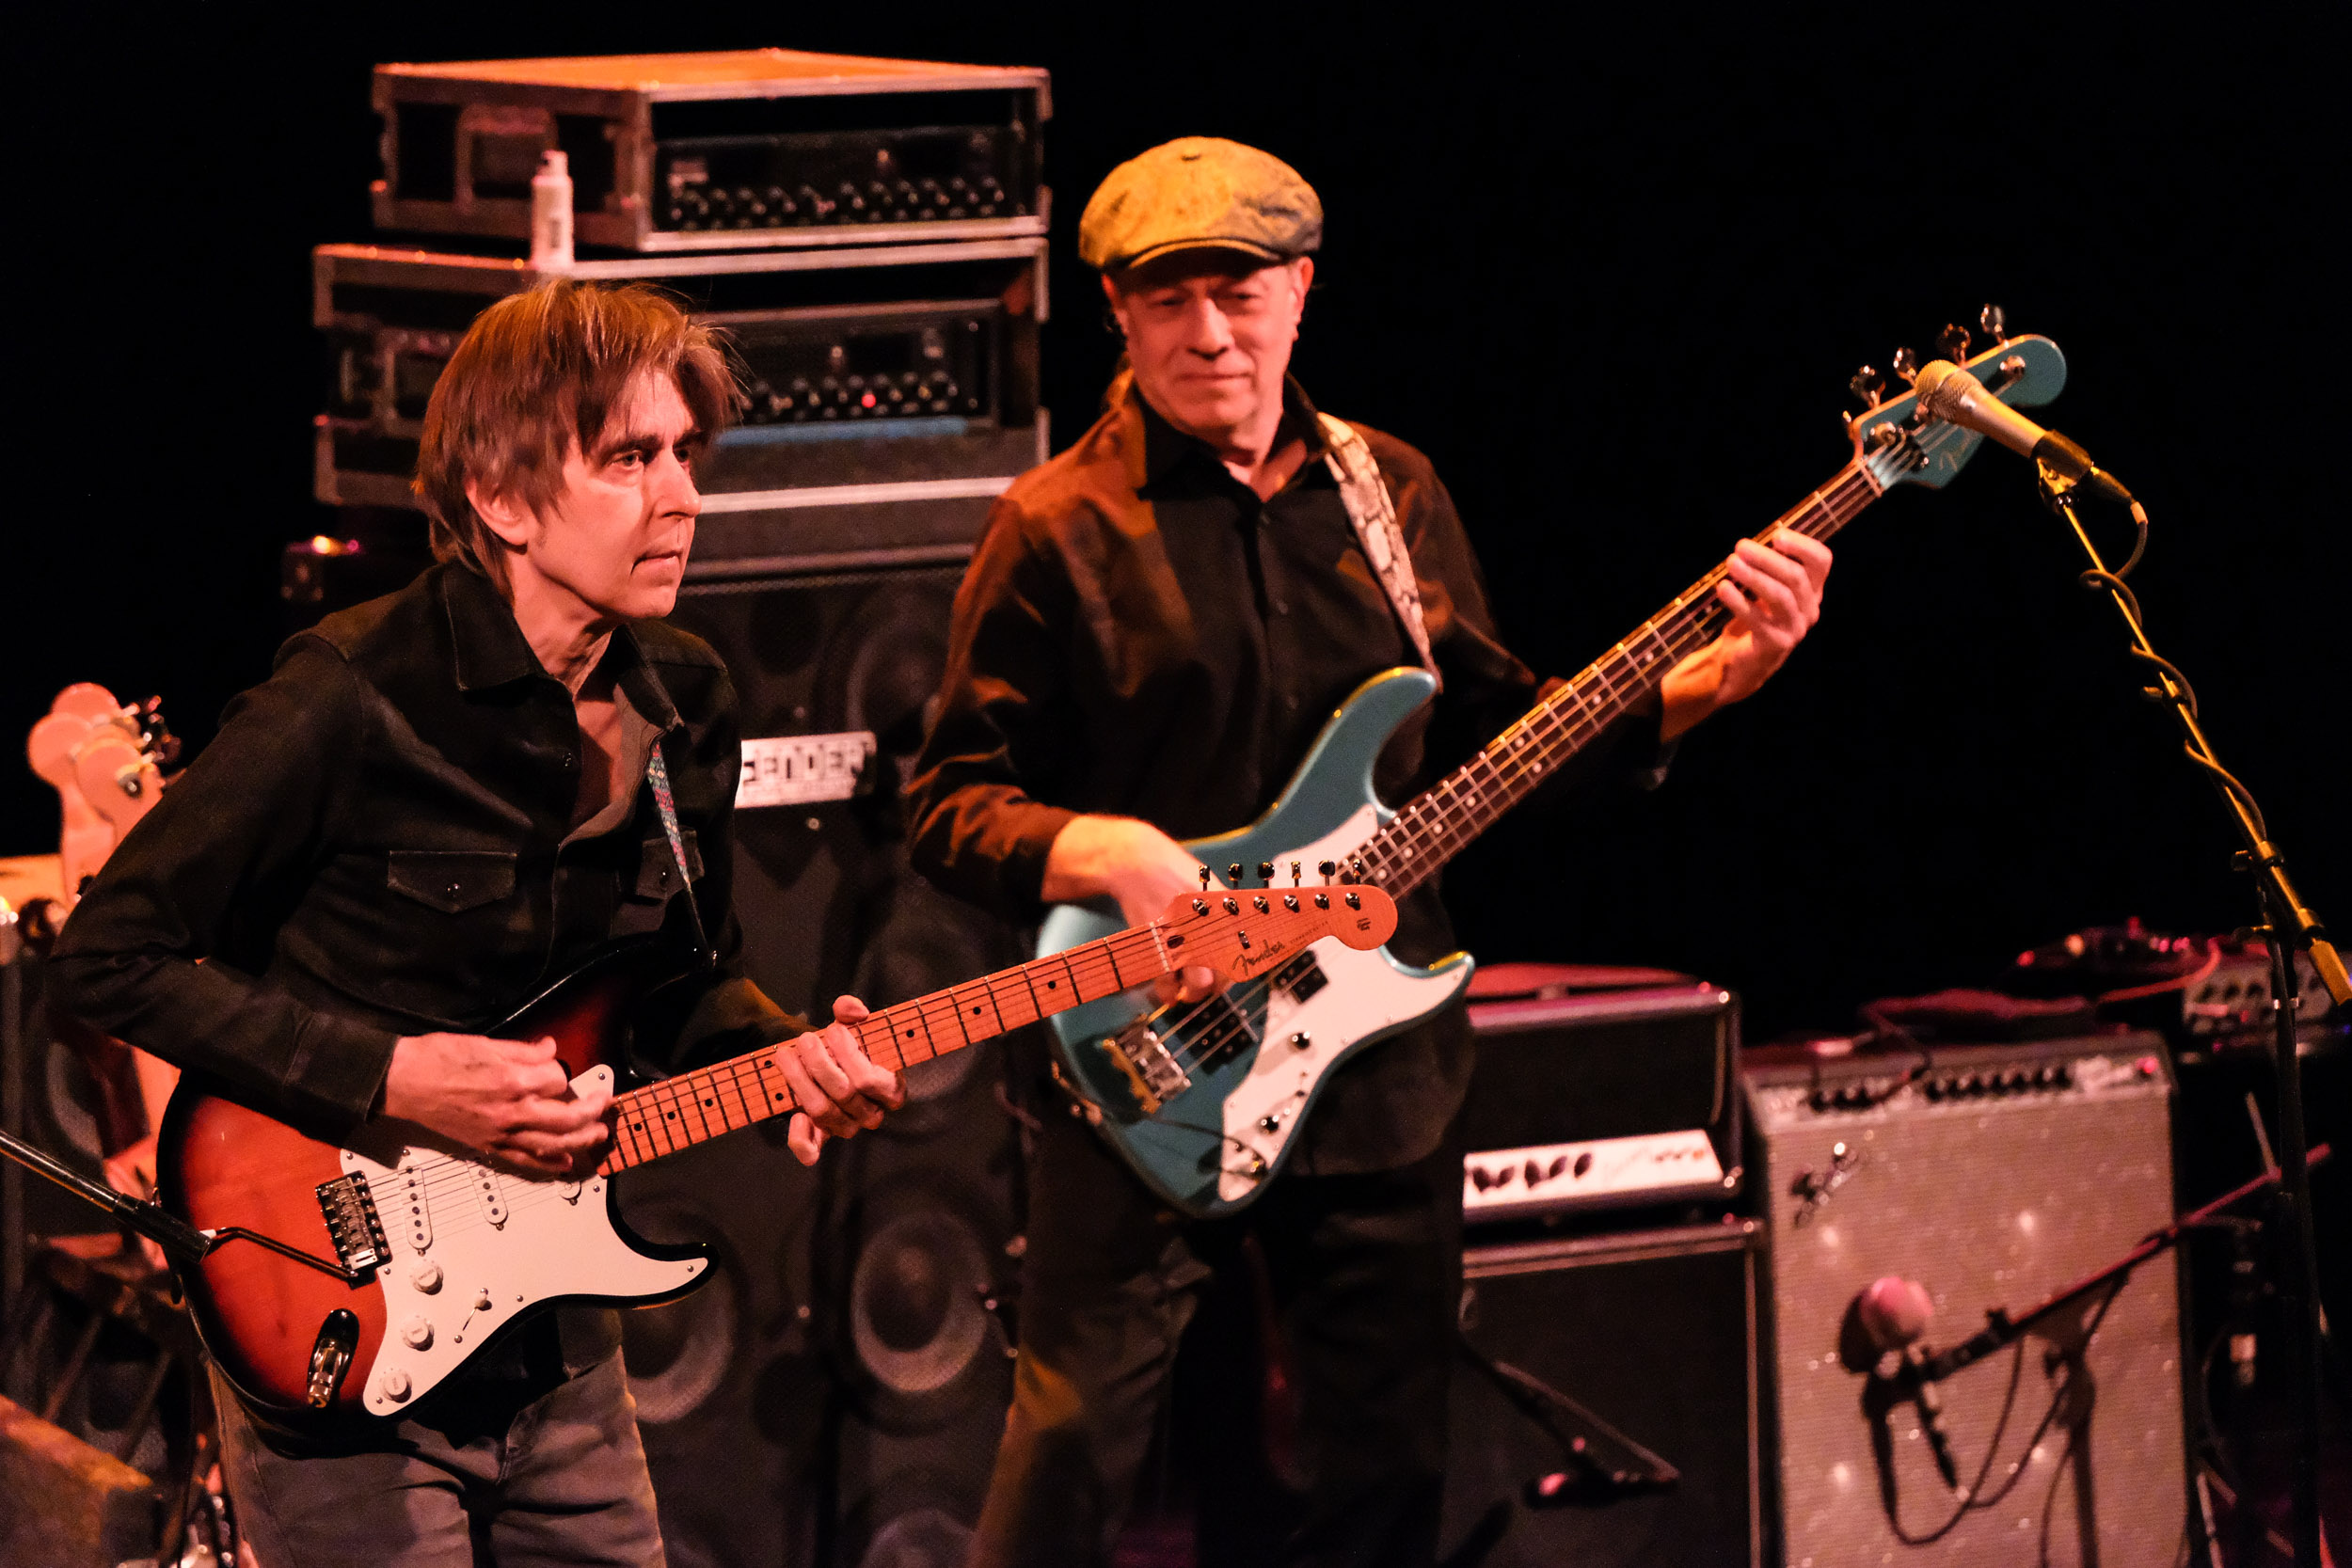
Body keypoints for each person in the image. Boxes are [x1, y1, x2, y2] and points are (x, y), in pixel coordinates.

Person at [902, 138, 1833, 1566]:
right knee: (1071, 1460)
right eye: (1169, 301)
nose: (1209, 332)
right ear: (1114, 311)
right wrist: (1105, 847)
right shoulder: (1052, 530)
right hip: (1144, 1054)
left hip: (1376, 1070)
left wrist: (1727, 677)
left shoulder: (1391, 492)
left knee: (1385, 1473)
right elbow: (948, 805)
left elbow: (1516, 744)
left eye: (1240, 291)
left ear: (1302, 290)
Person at [48, 280, 905, 1568]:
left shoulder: (689, 698)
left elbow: (678, 982)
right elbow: (110, 953)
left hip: (554, 1337)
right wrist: (391, 1076)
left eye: (686, 455)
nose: (679, 495)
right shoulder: (347, 696)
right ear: (503, 499)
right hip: (331, 1311)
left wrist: (790, 1055)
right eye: (630, 458)